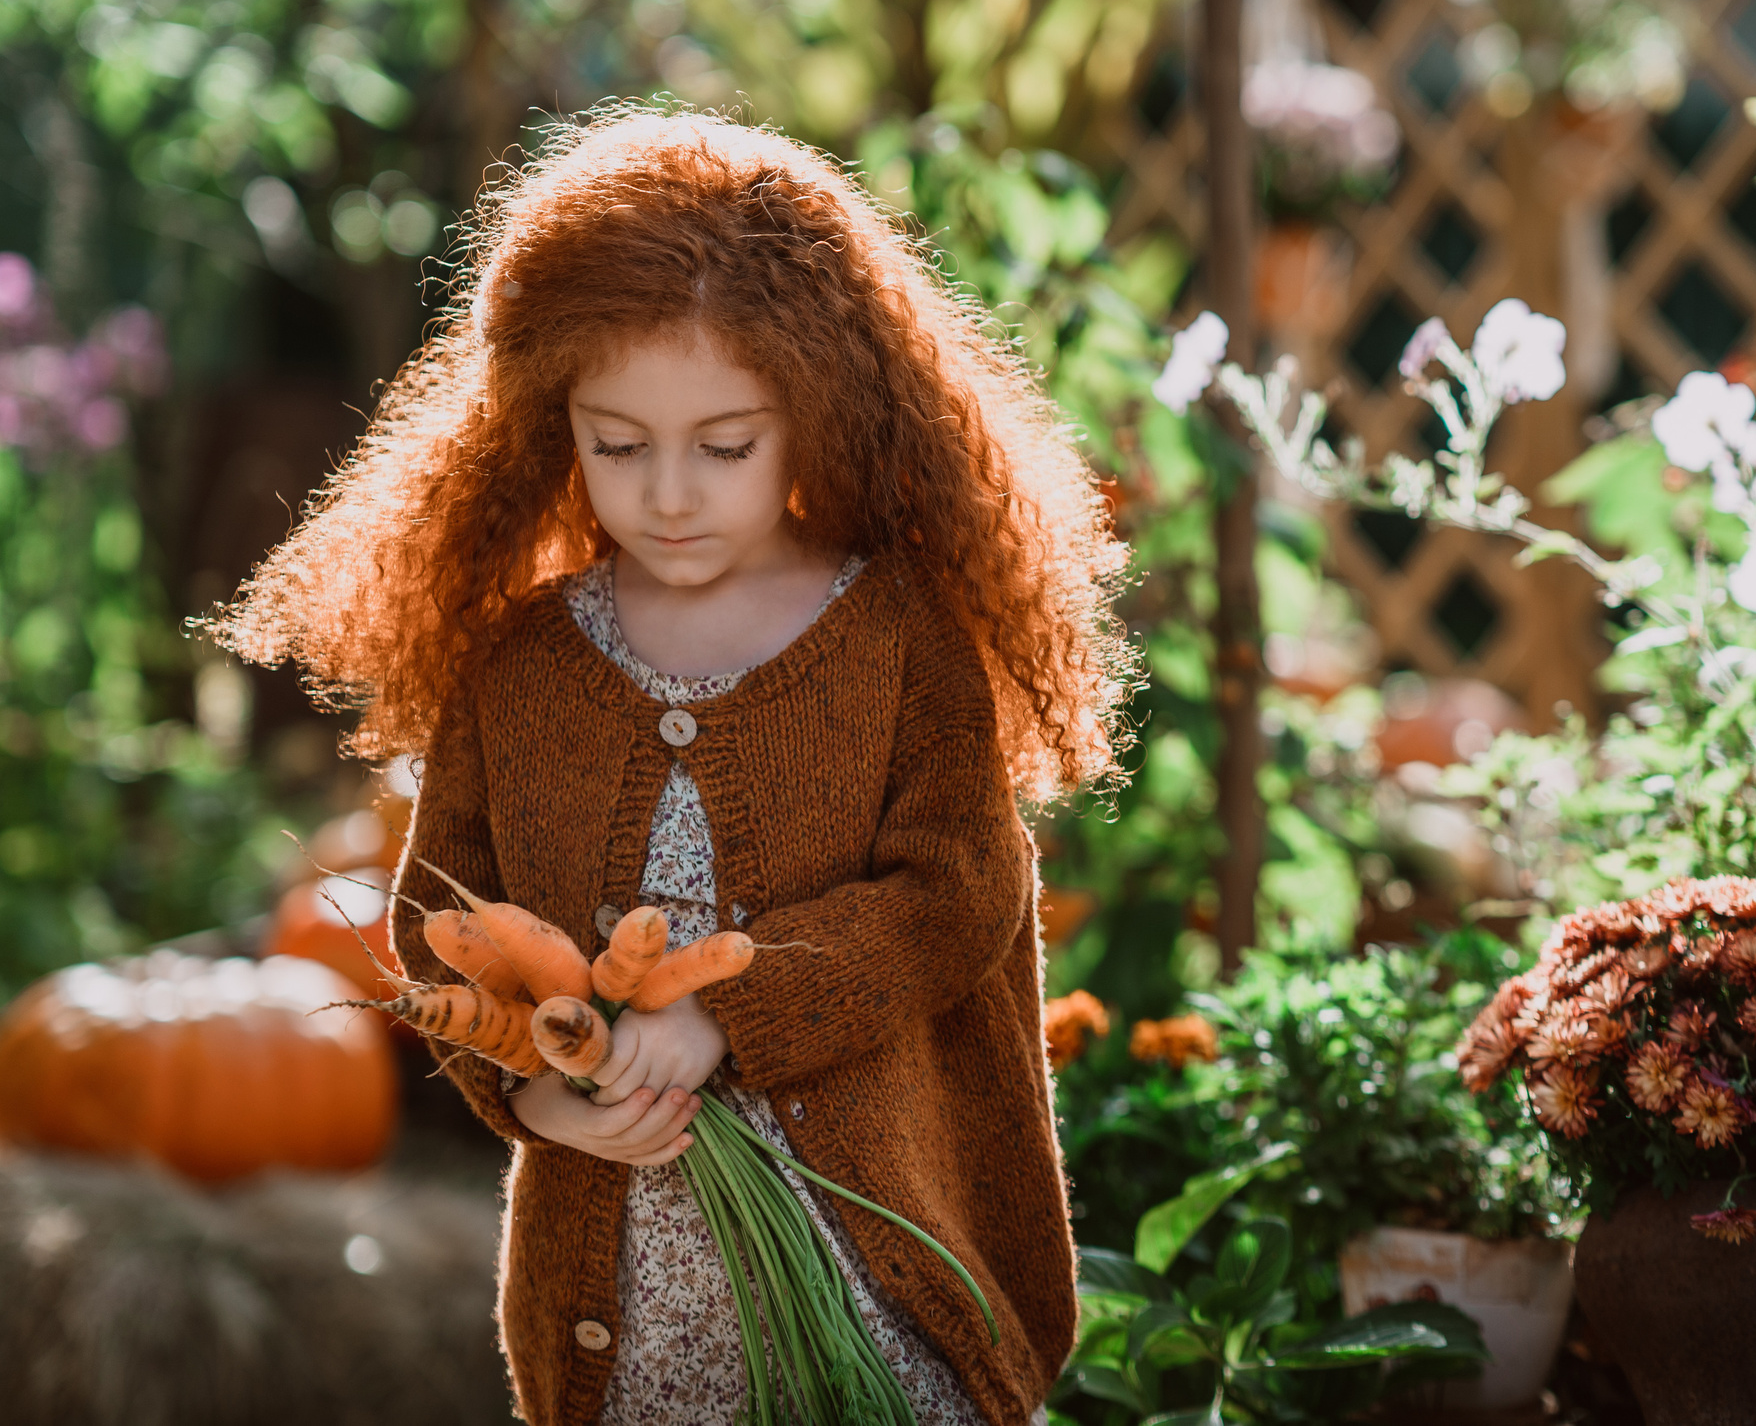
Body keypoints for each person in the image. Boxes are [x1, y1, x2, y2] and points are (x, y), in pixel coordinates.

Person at [211, 109, 1135, 1426]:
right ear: (548, 425)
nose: (670, 495)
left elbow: (960, 891)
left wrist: (724, 1018)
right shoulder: (517, 664)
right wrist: (537, 1090)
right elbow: (438, 928)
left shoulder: (892, 629)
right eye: (618, 442)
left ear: (816, 408)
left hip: (865, 1273)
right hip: (629, 1296)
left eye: (727, 443)